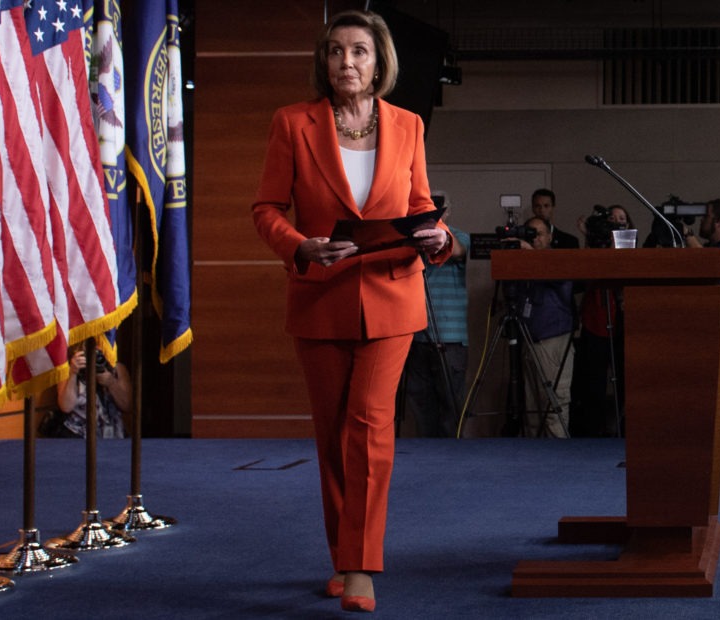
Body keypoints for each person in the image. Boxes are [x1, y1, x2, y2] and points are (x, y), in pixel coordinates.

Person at [251, 9, 452, 612]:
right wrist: (301, 246)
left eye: (360, 51)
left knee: (369, 426)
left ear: (378, 60)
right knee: (334, 435)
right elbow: (266, 209)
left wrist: (438, 238)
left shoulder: (409, 125)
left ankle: (361, 566)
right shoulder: (292, 124)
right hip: (321, 296)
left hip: (392, 293)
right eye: (337, 51)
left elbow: (420, 206)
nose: (348, 63)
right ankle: (343, 557)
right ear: (325, 60)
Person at [399, 191, 470, 438]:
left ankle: (453, 456)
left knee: (451, 404)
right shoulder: (410, 243)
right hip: (417, 335)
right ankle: (428, 456)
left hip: (451, 337)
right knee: (421, 403)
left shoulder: (458, 237)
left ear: (447, 212)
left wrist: (439, 236)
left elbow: (458, 251)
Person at [571, 205, 633, 437]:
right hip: (595, 321)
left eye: (622, 219)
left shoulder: (631, 248)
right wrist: (590, 238)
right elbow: (585, 276)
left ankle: (622, 428)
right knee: (593, 383)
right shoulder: (595, 246)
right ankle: (593, 433)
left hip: (623, 323)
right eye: (612, 219)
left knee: (624, 381)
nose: (617, 223)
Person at [509, 217, 573, 438]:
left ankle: (560, 461)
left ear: (550, 237)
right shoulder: (522, 262)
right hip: (529, 340)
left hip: (552, 340)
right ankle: (535, 463)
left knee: (554, 406)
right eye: (530, 233)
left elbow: (559, 276)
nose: (535, 238)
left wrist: (531, 255)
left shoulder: (558, 259)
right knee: (532, 410)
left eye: (539, 233)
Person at [51, 346, 132, 439]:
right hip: (77, 436)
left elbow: (128, 405)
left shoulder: (117, 368)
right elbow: (66, 406)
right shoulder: (69, 367)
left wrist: (111, 383)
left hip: (112, 436)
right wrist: (73, 373)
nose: (96, 349)